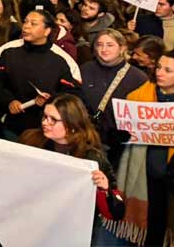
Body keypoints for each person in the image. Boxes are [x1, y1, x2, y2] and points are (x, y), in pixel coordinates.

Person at [19, 95, 125, 244]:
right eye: (45, 117)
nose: (45, 122)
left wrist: (105, 190)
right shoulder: (30, 141)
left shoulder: (92, 158)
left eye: (53, 120)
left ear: (72, 124)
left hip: (72, 232)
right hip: (33, 226)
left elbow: (116, 213)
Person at [0, 10, 82, 138]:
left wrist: (50, 99)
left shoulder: (62, 59)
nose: (26, 26)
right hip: (9, 125)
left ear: (47, 31)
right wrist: (9, 101)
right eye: (25, 22)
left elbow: (73, 93)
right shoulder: (8, 50)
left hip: (45, 131)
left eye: (33, 23)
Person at [110, 53, 174, 244]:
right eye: (158, 67)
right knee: (151, 223)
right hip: (145, 174)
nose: (159, 72)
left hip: (171, 176)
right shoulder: (137, 97)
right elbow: (120, 134)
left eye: (168, 70)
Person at [79, 29, 148, 166]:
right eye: (99, 44)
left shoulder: (138, 78)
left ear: (122, 48)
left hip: (118, 144)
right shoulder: (84, 69)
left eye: (110, 45)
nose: (104, 49)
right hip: (84, 137)